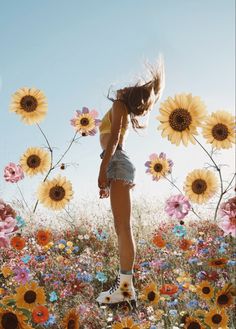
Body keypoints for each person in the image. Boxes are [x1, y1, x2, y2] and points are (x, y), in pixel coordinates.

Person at [96, 57, 165, 308]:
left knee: (123, 228)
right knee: (121, 227)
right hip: (118, 162)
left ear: (129, 93)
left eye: (127, 88)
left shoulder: (118, 105)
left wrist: (102, 170)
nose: (121, 88)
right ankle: (124, 287)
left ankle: (126, 289)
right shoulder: (121, 107)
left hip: (115, 160)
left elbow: (113, 139)